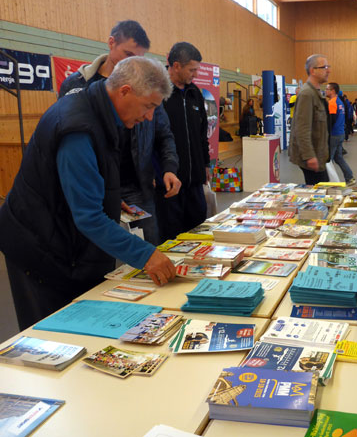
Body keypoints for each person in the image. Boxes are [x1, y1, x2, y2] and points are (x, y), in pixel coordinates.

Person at [0, 57, 177, 330]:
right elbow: (89, 217)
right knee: (52, 332)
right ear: (125, 91)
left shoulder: (99, 112)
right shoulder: (77, 128)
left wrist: (109, 198)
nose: (149, 117)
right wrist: (146, 255)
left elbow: (85, 176)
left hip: (59, 236)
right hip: (35, 246)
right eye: (148, 106)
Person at [59, 20, 181, 245]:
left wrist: (169, 167)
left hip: (136, 185)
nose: (131, 62)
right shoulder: (78, 86)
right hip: (97, 186)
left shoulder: (147, 87)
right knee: (97, 247)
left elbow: (163, 133)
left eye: (138, 58)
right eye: (128, 54)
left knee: (147, 245)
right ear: (111, 43)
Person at [156, 42, 211, 241]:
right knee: (171, 236)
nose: (196, 74)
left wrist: (205, 164)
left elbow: (202, 133)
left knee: (198, 232)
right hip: (168, 183)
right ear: (176, 66)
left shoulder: (195, 93)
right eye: (192, 70)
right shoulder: (158, 93)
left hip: (194, 180)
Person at [289, 54, 331, 184]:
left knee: (323, 189)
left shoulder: (315, 93)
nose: (328, 70)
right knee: (321, 191)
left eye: (328, 67)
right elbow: (302, 128)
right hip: (312, 158)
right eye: (324, 67)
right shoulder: (307, 94)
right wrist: (309, 156)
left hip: (318, 155)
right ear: (313, 70)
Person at [325, 82, 355, 185]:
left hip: (334, 134)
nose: (325, 91)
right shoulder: (340, 102)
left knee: (327, 159)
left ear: (333, 91)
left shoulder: (332, 102)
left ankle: (329, 182)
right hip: (340, 133)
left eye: (327, 89)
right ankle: (350, 177)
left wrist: (326, 133)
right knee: (338, 158)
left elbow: (331, 120)